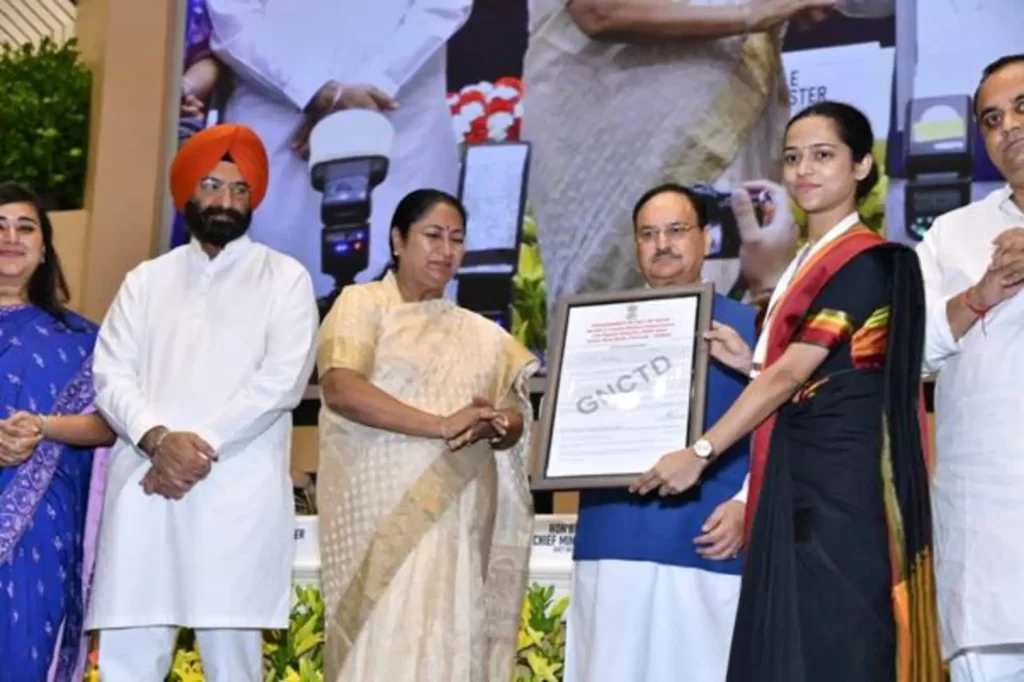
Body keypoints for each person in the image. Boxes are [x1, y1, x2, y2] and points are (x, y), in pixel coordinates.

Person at [630, 101, 942, 681]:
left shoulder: (870, 260)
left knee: (839, 644)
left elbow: (791, 375)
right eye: (793, 158)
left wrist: (699, 453)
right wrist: (749, 361)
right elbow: (810, 373)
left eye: (824, 155)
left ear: (861, 167)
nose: (804, 170)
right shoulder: (802, 263)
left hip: (841, 493)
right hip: (793, 483)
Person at [86, 124, 319, 681]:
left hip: (234, 497)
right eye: (212, 185)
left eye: (240, 191)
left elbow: (282, 380)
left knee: (231, 664)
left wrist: (199, 446)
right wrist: (158, 440)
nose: (225, 202)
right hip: (146, 491)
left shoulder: (284, 279)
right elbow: (110, 372)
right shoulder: (145, 281)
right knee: (128, 661)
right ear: (187, 193)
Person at [316, 189, 538, 681]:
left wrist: (503, 426)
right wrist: (440, 425)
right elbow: (341, 388)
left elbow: (516, 411)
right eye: (432, 235)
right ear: (398, 239)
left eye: (457, 239)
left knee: (448, 640)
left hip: (456, 520)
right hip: (378, 517)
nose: (445, 250)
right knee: (382, 644)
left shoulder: (481, 334)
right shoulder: (361, 303)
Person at [522, 0, 834, 333]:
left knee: (727, 325)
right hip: (625, 130)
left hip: (726, 111)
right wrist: (753, 12)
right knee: (613, 332)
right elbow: (600, 11)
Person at [566, 184, 756, 682]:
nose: (662, 244)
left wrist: (745, 502)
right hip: (612, 536)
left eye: (676, 230)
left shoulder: (749, 329)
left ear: (706, 239)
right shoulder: (595, 327)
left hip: (705, 540)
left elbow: (781, 429)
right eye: (648, 234)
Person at [206, 0, 472, 298]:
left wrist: (363, 91)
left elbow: (441, 7)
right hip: (278, 123)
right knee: (267, 307)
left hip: (402, 119)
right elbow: (235, 19)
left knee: (409, 320)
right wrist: (311, 90)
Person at [915, 54, 1024, 682]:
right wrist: (980, 294)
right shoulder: (954, 234)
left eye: (1021, 107)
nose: (1007, 125)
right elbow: (911, 349)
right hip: (985, 532)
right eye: (991, 118)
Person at [0, 183, 115, 682]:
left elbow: (109, 424)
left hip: (44, 533)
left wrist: (42, 427)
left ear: (45, 247)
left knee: (25, 652)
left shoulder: (83, 339)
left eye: (26, 227)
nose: (12, 237)